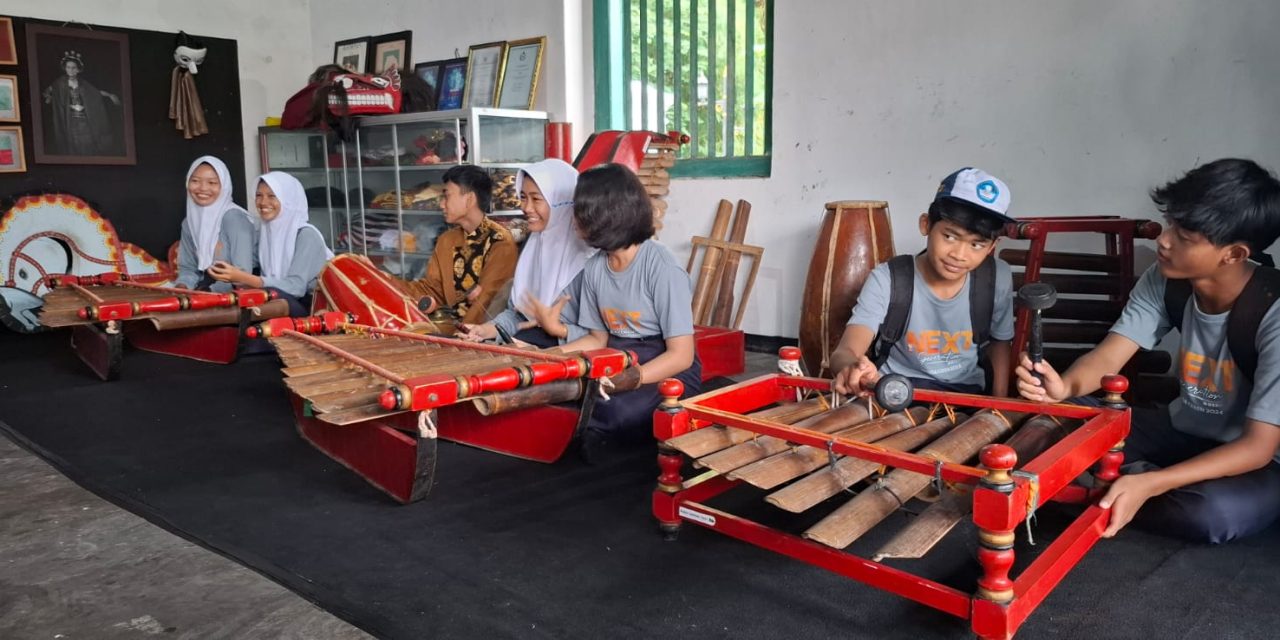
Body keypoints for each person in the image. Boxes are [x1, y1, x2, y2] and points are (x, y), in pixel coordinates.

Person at [1015, 158, 1280, 544]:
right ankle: (1124, 487)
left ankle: (1120, 486)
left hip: (1255, 459)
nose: (1164, 240)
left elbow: (1258, 447)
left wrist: (1153, 483)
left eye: (1184, 236)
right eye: (1170, 224)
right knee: (1059, 422)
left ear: (1234, 254)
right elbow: (1109, 356)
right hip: (1180, 429)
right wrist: (1064, 387)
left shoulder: (1273, 310)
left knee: (1211, 515)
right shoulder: (1166, 278)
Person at [830, 167, 1016, 397]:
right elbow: (846, 350)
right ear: (925, 224)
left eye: (976, 244)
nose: (959, 255)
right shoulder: (888, 278)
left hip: (967, 395)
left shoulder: (997, 278)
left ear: (992, 247)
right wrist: (851, 367)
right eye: (949, 236)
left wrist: (999, 405)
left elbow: (1000, 344)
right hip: (894, 391)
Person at [560, 163, 701, 461]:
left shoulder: (662, 267)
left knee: (614, 411)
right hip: (619, 355)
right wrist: (551, 358)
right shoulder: (595, 267)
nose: (574, 220)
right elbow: (597, 339)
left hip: (665, 362)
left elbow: (681, 355)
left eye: (580, 211)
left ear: (604, 215)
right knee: (571, 398)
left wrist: (632, 378)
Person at [459, 158, 594, 347]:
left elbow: (600, 337)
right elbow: (519, 316)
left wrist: (557, 331)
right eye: (523, 197)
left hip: (563, 356)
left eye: (536, 199)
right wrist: (487, 330)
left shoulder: (589, 262)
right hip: (525, 348)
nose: (526, 208)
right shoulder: (534, 249)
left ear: (561, 201)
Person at [391, 165, 517, 325]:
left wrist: (461, 335)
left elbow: (487, 302)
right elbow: (433, 289)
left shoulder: (500, 242)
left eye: (447, 196)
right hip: (451, 329)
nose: (442, 204)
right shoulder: (447, 240)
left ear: (469, 199)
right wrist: (385, 281)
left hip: (482, 333)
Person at [207, 172, 333, 316]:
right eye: (259, 195)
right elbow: (247, 266)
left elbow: (295, 288)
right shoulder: (265, 233)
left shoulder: (306, 236)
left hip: (313, 308)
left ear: (288, 200)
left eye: (272, 196)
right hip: (278, 299)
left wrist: (243, 277)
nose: (263, 202)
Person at [173, 156, 257, 293]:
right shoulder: (189, 223)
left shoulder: (234, 218)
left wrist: (208, 292)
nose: (203, 188)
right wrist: (182, 287)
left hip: (243, 291)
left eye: (212, 183)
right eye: (195, 181)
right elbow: (188, 268)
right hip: (208, 289)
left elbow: (242, 274)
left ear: (224, 186)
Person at [41, 50, 122, 156]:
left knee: (88, 142)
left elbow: (96, 92)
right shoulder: (59, 83)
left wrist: (110, 95)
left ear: (78, 69)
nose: (71, 70)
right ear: (65, 68)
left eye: (73, 68)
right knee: (72, 143)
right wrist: (49, 97)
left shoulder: (83, 83)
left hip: (84, 119)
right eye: (68, 67)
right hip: (70, 119)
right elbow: (47, 92)